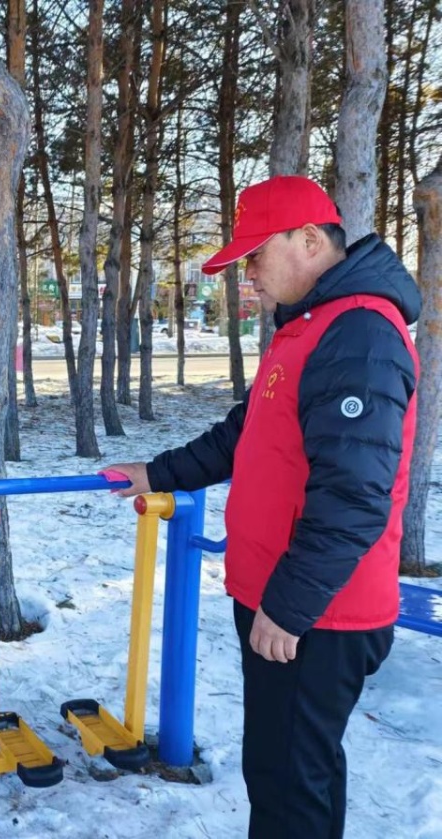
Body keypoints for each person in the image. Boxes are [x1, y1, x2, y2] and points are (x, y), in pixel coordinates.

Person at [106, 175, 420, 839]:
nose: (247, 273)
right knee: (287, 774)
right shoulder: (310, 326)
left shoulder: (359, 334)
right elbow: (243, 434)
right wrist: (156, 473)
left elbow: (355, 493)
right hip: (286, 597)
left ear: (309, 240)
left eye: (255, 254)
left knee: (289, 787)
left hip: (317, 611)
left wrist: (290, 605)